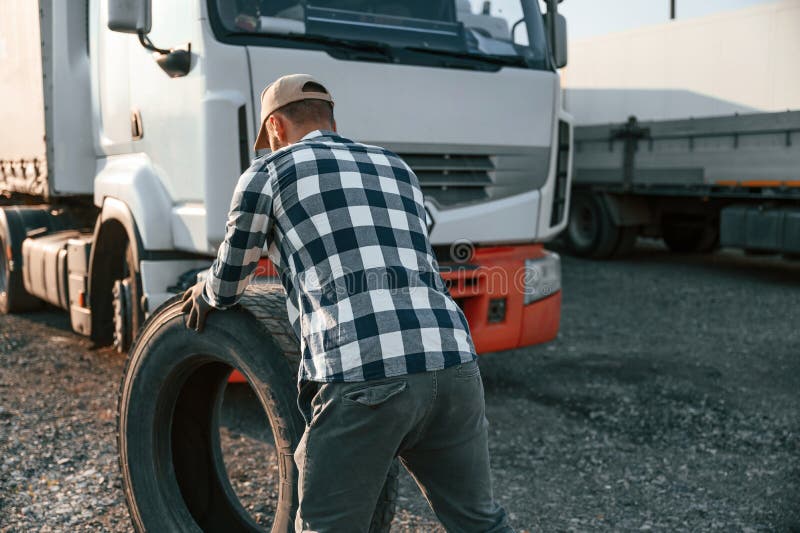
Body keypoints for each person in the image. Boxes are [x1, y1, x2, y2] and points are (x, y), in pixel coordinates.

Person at [181, 73, 514, 532]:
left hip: (364, 372)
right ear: (330, 118)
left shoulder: (267, 173)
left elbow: (231, 277)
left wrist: (205, 292)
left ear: (275, 127)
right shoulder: (396, 167)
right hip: (454, 362)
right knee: (480, 521)